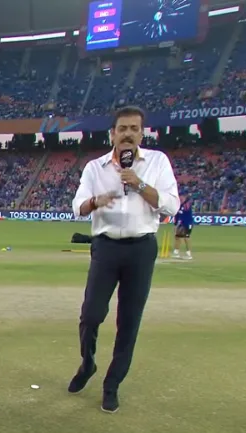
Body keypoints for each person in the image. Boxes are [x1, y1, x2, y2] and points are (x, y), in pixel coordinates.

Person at [69, 106, 181, 413]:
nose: (128, 133)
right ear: (113, 134)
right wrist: (95, 201)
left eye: (134, 128)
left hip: (141, 248)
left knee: (128, 321)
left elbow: (171, 205)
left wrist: (140, 184)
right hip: (105, 246)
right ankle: (87, 363)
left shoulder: (157, 162)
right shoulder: (96, 167)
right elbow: (77, 205)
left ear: (142, 133)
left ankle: (111, 385)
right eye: (123, 128)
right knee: (91, 315)